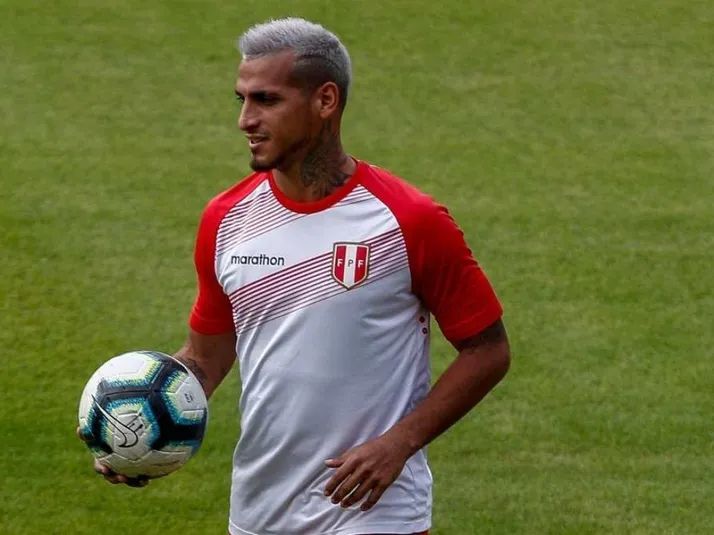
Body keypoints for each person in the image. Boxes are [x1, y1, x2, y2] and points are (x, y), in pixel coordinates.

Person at [80, 17, 511, 535]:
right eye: (241, 99)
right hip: (261, 509)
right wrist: (133, 430)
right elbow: (206, 357)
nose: (245, 120)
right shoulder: (226, 219)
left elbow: (487, 350)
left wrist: (400, 442)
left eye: (266, 100)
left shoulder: (407, 220)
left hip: (374, 511)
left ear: (325, 100)